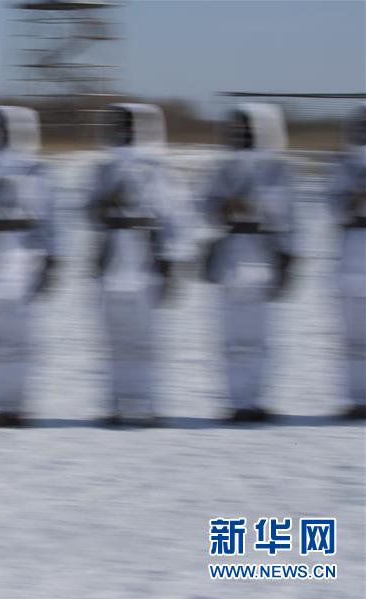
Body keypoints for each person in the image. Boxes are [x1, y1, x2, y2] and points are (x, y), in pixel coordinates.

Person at [85, 103, 185, 426]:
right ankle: (116, 403)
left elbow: (175, 217)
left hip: (146, 255)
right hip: (113, 254)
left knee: (146, 340)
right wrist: (103, 204)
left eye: (128, 129)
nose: (123, 135)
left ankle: (148, 404)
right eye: (118, 128)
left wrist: (172, 262)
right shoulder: (102, 169)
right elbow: (86, 211)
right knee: (114, 339)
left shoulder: (160, 170)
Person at [0, 105, 60, 427]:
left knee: (22, 338)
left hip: (25, 257)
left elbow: (52, 219)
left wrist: (52, 261)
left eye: (4, 132)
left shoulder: (38, 174)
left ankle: (19, 406)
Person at [202, 103, 296, 422]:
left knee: (260, 338)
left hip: (263, 252)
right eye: (237, 129)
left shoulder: (279, 169)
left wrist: (289, 260)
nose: (241, 135)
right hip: (232, 251)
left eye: (248, 129)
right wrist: (223, 208)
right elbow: (204, 206)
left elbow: (289, 217)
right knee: (232, 338)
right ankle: (236, 400)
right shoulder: (221, 167)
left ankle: (255, 399)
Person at [325, 102, 366, 420]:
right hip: (353, 246)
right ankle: (358, 398)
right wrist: (352, 200)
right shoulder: (344, 163)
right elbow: (332, 204)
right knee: (354, 336)